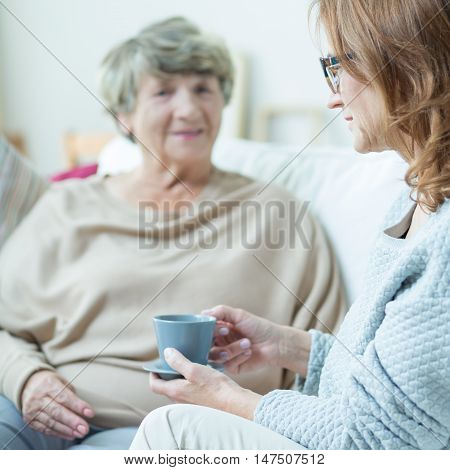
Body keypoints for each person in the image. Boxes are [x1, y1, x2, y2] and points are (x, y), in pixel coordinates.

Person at [0, 17, 345, 450]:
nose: (189, 109)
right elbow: (4, 325)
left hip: (192, 436)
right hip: (40, 416)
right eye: (163, 92)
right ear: (123, 115)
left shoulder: (277, 213)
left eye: (204, 89)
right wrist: (26, 378)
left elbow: (331, 355)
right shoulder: (66, 207)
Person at [130, 0, 450, 450]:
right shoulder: (415, 195)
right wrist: (294, 348)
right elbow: (387, 386)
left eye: (339, 66)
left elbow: (375, 439)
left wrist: (229, 399)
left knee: (172, 428)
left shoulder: (442, 240)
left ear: (404, 67)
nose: (332, 96)